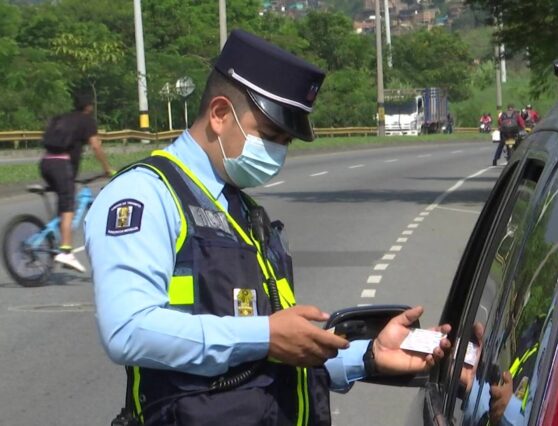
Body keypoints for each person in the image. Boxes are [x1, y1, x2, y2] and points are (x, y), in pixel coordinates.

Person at [84, 29, 451, 426]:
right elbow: (128, 329)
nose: (277, 152)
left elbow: (267, 360)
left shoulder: (242, 210)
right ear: (220, 114)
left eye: (286, 142)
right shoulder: (145, 195)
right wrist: (265, 335)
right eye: (269, 135)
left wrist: (367, 355)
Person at [40, 92, 114, 273]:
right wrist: (107, 169)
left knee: (64, 202)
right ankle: (66, 250)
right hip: (62, 164)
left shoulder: (63, 117)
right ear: (89, 106)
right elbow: (96, 146)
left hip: (46, 163)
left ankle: (57, 239)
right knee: (68, 207)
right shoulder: (86, 120)